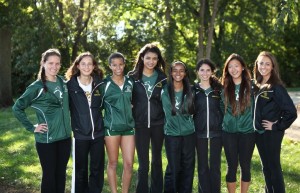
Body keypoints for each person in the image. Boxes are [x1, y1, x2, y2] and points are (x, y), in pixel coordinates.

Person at [12, 48, 71, 193]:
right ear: (43, 63)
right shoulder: (36, 87)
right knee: (49, 177)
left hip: (65, 137)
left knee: (61, 174)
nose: (54, 67)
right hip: (46, 139)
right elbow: (17, 108)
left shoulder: (64, 82)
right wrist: (32, 127)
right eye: (50, 63)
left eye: (57, 63)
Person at [253, 51, 297, 193]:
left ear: (272, 66)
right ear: (256, 65)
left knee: (273, 167)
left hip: (272, 133)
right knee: (266, 167)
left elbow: (291, 112)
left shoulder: (276, 87)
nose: (263, 66)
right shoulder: (257, 85)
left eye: (267, 64)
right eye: (261, 63)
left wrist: (276, 125)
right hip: (259, 133)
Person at [128, 43, 167, 193]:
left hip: (159, 123)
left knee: (157, 161)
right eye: (148, 58)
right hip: (140, 124)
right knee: (143, 163)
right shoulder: (132, 77)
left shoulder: (163, 78)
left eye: (155, 59)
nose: (151, 61)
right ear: (142, 58)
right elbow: (125, 96)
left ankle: (157, 190)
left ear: (158, 60)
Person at [65, 52, 105, 193]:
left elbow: (110, 103)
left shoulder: (100, 84)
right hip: (80, 135)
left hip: (99, 134)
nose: (87, 66)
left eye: (90, 63)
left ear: (94, 66)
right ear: (78, 66)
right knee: (80, 170)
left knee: (97, 169)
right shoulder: (69, 86)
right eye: (83, 63)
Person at [100, 52, 135, 193]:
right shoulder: (104, 84)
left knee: (129, 164)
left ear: (124, 65)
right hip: (111, 129)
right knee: (113, 163)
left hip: (129, 128)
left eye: (120, 64)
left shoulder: (130, 82)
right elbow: (98, 106)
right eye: (114, 65)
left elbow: (134, 101)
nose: (118, 67)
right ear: (110, 66)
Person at [221, 53, 256, 193]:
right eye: (230, 66)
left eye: (236, 65)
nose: (233, 69)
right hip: (228, 132)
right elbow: (218, 108)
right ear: (227, 69)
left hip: (248, 132)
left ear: (242, 67)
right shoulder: (223, 86)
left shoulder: (253, 86)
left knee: (245, 166)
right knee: (231, 166)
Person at [161, 61, 196, 193]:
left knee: (188, 168)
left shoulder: (191, 90)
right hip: (171, 135)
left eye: (181, 70)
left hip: (189, 134)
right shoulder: (164, 90)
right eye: (175, 70)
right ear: (170, 73)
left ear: (185, 73)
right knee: (173, 168)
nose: (178, 73)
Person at [193, 59, 223, 193]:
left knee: (215, 167)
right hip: (199, 133)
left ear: (212, 72)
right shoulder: (193, 89)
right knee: (202, 167)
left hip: (217, 133)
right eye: (202, 70)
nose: (205, 73)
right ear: (197, 72)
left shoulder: (219, 90)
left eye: (208, 70)